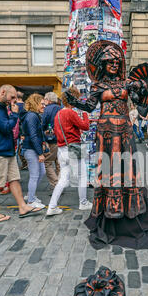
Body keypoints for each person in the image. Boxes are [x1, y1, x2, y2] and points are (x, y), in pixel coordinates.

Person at [64, 39, 148, 250]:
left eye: (115, 61)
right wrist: (75, 102)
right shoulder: (97, 85)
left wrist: (140, 91)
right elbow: (90, 106)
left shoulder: (126, 84)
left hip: (124, 130)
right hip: (105, 131)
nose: (113, 64)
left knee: (127, 169)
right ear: (102, 64)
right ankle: (110, 210)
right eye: (108, 61)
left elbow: (140, 107)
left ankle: (129, 210)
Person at [0, 84, 43, 221]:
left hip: (5, 150)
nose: (14, 100)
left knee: (14, 179)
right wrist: (14, 114)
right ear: (3, 92)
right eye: (12, 97)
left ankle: (23, 206)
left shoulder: (0, 106)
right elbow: (6, 127)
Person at [46, 86, 92, 216]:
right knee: (82, 176)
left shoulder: (59, 113)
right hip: (73, 147)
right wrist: (84, 113)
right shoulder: (70, 113)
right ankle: (83, 202)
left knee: (63, 179)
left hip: (62, 149)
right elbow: (86, 126)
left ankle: (52, 206)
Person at [20, 94, 47, 209]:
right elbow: (33, 135)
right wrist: (40, 153)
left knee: (41, 172)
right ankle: (30, 201)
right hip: (31, 149)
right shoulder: (32, 116)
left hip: (32, 148)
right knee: (35, 175)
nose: (44, 106)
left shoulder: (33, 115)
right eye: (42, 104)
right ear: (35, 103)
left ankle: (31, 195)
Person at [42, 91, 61, 190]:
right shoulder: (61, 109)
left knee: (47, 163)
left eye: (44, 99)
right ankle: (60, 184)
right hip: (62, 140)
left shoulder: (47, 110)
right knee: (59, 164)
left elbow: (43, 124)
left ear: (48, 100)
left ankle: (56, 184)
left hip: (52, 139)